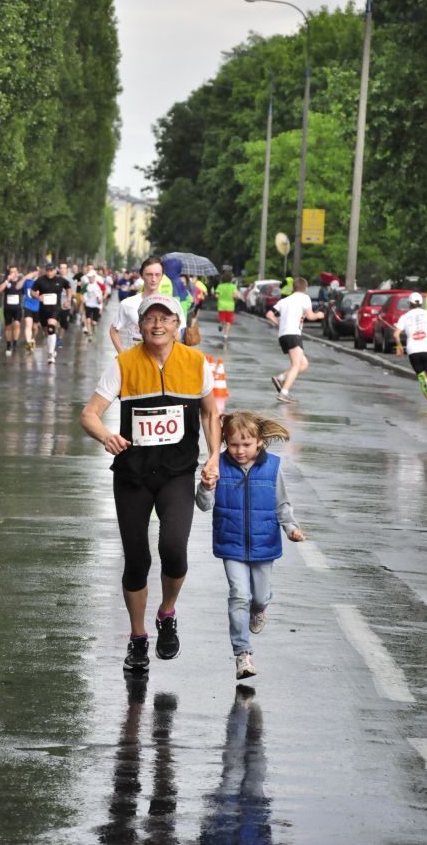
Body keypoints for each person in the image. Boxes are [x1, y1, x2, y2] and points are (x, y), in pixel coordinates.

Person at [80, 293, 221, 673]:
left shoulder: (196, 363)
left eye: (165, 318)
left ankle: (167, 611)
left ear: (178, 324)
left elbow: (210, 414)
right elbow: (90, 414)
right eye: (150, 319)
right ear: (139, 327)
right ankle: (138, 637)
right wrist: (104, 436)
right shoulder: (124, 364)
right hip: (133, 476)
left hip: (176, 474)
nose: (158, 324)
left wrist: (213, 455)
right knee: (138, 559)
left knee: (174, 550)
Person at [196, 410, 305, 679]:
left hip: (264, 543)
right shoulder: (217, 465)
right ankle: (242, 653)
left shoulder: (273, 467)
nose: (240, 450)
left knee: (259, 597)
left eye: (246, 444)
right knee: (239, 594)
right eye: (233, 444)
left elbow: (282, 503)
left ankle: (260, 609)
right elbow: (203, 506)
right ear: (224, 443)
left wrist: (290, 528)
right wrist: (206, 485)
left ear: (259, 442)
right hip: (230, 543)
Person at [266, 276, 324, 403]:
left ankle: (280, 378)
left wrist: (278, 323)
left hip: (283, 335)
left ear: (293, 288)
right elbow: (310, 316)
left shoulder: (284, 300)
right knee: (297, 365)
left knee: (303, 364)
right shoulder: (305, 298)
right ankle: (284, 393)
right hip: (293, 334)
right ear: (305, 288)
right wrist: (319, 315)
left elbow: (269, 314)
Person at [110, 256, 185, 354]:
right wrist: (122, 354)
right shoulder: (128, 303)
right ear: (142, 276)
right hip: (135, 361)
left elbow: (178, 334)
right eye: (149, 274)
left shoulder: (173, 304)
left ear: (162, 276)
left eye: (157, 275)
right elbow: (113, 330)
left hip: (162, 361)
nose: (153, 279)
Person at [394, 291, 427, 415]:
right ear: (421, 303)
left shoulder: (404, 316)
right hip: (425, 349)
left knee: (422, 378)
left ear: (409, 303)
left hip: (412, 351)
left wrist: (399, 347)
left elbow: (396, 334)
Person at [31, 262, 71, 364]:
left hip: (55, 309)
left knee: (51, 328)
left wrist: (68, 299)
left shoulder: (60, 280)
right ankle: (52, 350)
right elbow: (32, 291)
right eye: (47, 271)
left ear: (55, 270)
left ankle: (50, 354)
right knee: (47, 332)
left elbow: (68, 288)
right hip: (43, 309)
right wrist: (37, 296)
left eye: (51, 271)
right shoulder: (40, 280)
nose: (49, 273)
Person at [0, 266, 23, 355]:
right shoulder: (6, 281)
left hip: (17, 307)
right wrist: (7, 281)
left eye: (15, 271)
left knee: (17, 323)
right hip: (8, 307)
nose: (13, 273)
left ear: (17, 272)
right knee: (8, 326)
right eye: (11, 272)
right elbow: (0, 289)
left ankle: (15, 343)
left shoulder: (20, 282)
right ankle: (8, 344)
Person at [19, 267, 40, 351]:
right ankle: (29, 343)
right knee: (28, 325)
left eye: (35, 272)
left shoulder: (40, 281)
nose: (34, 273)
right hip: (27, 305)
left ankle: (33, 339)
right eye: (31, 272)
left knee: (35, 327)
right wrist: (24, 278)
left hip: (38, 306)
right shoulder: (26, 281)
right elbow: (18, 287)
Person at [215, 269, 239, 340]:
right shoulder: (233, 286)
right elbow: (235, 296)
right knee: (229, 321)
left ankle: (222, 324)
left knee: (223, 319)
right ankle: (226, 335)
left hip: (221, 305)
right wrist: (235, 298)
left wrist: (220, 297)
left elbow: (216, 295)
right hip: (230, 305)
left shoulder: (220, 286)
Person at [82, 269, 103, 339]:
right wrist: (83, 299)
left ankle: (93, 327)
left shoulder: (98, 286)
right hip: (88, 305)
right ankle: (90, 335)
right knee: (88, 321)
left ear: (94, 277)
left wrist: (99, 299)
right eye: (89, 277)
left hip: (96, 306)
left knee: (94, 323)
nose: (89, 278)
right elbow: (82, 294)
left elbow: (101, 297)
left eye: (91, 277)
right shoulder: (86, 286)